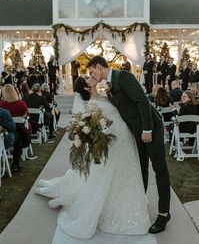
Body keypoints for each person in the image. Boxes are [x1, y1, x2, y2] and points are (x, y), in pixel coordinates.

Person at [35, 75, 150, 241]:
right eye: (88, 79)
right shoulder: (92, 104)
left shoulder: (104, 94)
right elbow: (100, 127)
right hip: (114, 141)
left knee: (124, 171)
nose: (91, 77)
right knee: (109, 174)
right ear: (87, 88)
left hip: (124, 138)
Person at [87, 55, 171, 234]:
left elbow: (142, 100)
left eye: (92, 71)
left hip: (150, 129)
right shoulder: (108, 85)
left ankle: (164, 214)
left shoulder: (123, 77)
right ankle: (141, 204)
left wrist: (147, 130)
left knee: (159, 169)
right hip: (136, 132)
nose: (92, 75)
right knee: (141, 170)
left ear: (99, 67)